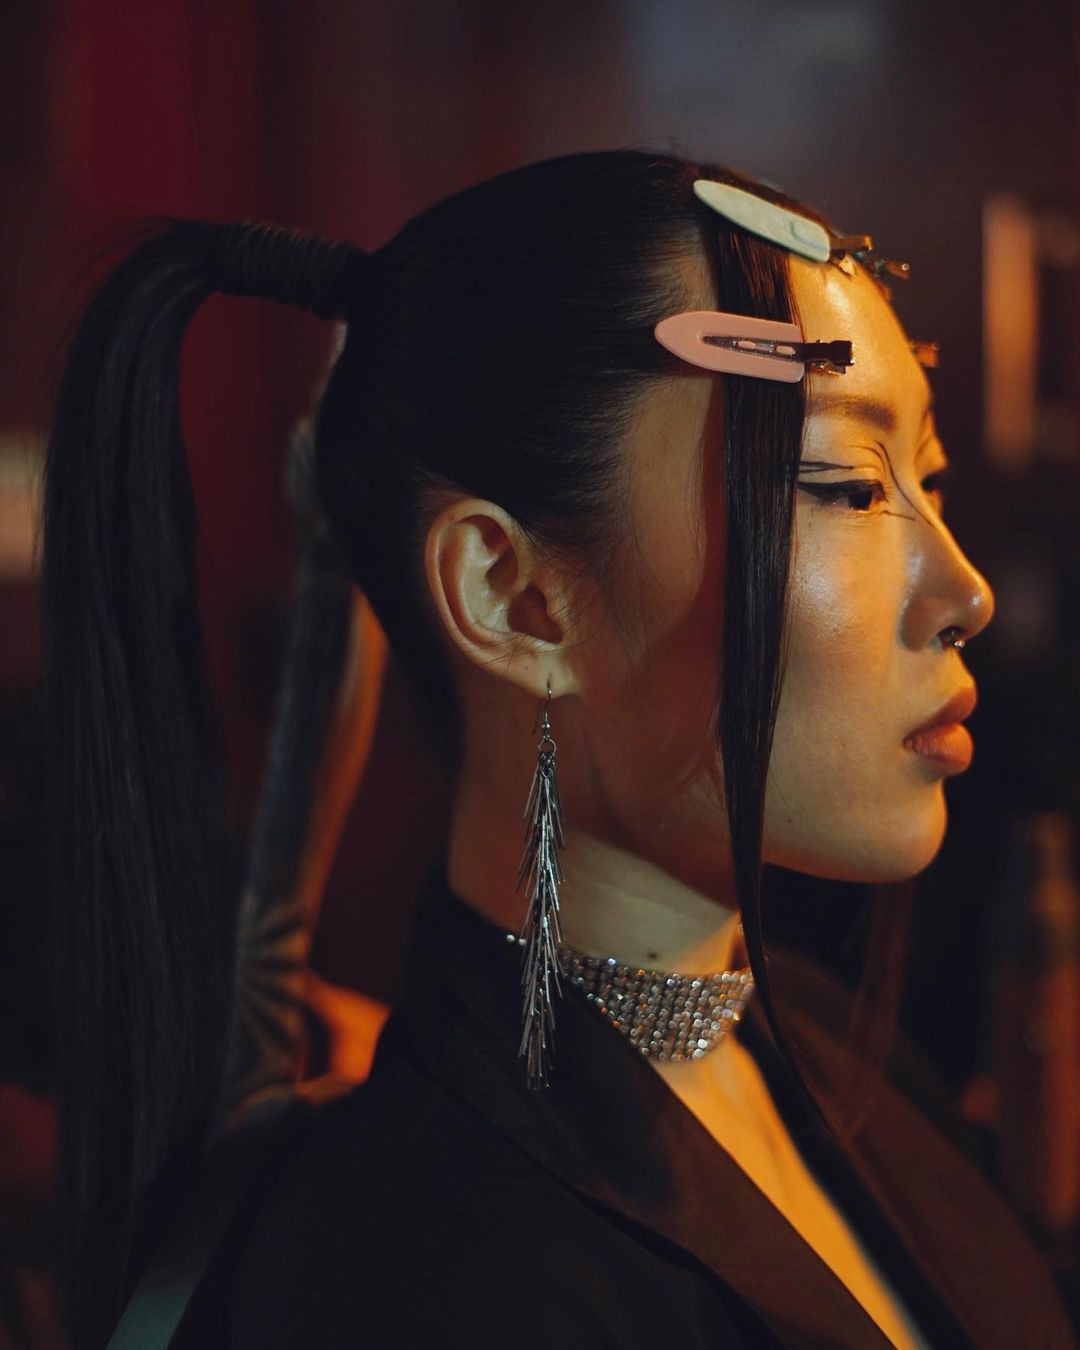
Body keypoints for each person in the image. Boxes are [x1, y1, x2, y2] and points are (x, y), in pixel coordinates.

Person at [41, 150, 1075, 1348]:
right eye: (843, 485)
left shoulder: (837, 1053)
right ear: (516, 599)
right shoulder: (436, 1287)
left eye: (928, 478)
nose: (964, 590)